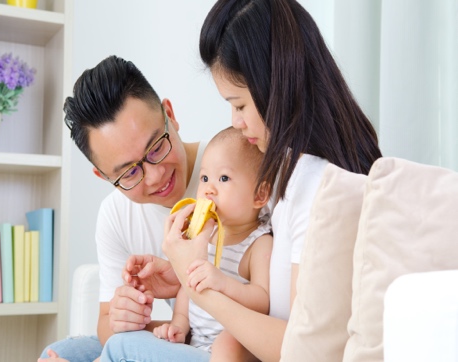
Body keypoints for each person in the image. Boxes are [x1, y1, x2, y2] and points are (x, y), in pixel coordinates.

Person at [101, 0, 382, 361]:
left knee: (121, 348)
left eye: (239, 104)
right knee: (79, 348)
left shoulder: (314, 183)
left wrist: (194, 283)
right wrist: (181, 281)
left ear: (276, 88)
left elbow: (301, 348)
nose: (235, 121)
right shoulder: (284, 176)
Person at [38, 55, 210, 361]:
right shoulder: (116, 215)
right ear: (104, 177)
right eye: (129, 172)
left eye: (157, 147)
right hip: (186, 340)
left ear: (170, 114)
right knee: (62, 353)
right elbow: (106, 327)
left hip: (232, 345)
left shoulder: (231, 170)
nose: (156, 176)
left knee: (122, 348)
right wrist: (125, 318)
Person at [152, 126, 273, 361]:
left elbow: (263, 301)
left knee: (228, 343)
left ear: (259, 194)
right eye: (205, 178)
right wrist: (179, 323)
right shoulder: (204, 234)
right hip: (196, 343)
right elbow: (187, 288)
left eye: (224, 178)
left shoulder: (258, 243)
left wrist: (222, 284)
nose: (208, 189)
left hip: (231, 346)